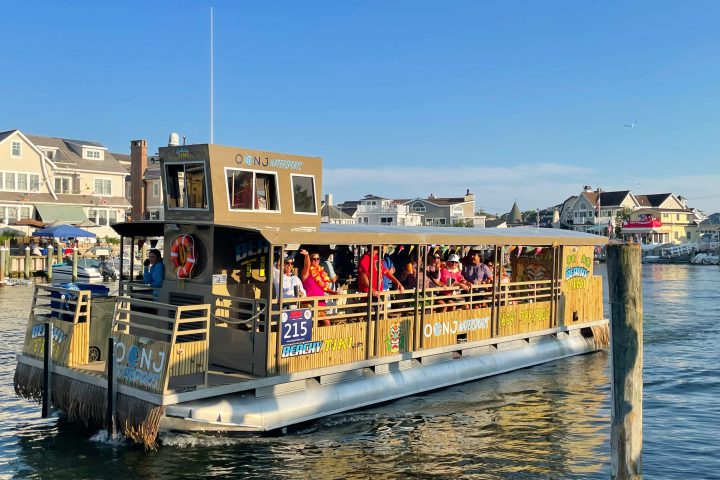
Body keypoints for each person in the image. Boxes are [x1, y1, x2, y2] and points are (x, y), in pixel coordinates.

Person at [300, 249, 337, 326]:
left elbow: (325, 287)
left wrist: (334, 293)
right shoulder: (306, 272)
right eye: (314, 259)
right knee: (314, 324)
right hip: (309, 303)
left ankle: (325, 337)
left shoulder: (321, 272)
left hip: (320, 303)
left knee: (325, 322)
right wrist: (307, 255)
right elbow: (307, 265)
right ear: (310, 260)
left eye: (318, 259)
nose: (316, 261)